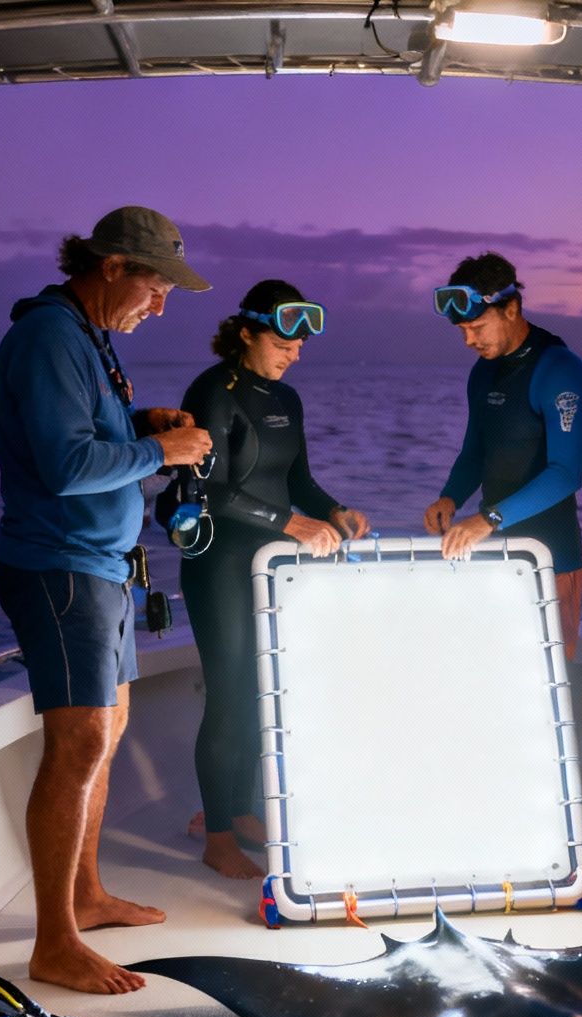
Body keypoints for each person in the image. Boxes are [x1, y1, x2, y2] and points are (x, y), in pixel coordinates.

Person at [0, 205, 214, 994]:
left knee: (109, 731)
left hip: (105, 568)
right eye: (156, 289)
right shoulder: (51, 337)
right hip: (61, 568)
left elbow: (90, 432)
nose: (160, 307)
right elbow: (62, 467)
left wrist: (137, 419)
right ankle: (54, 941)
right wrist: (162, 449)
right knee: (80, 742)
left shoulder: (87, 337)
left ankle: (84, 894)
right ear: (112, 266)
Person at [178, 280, 369, 879]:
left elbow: (299, 481)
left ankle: (240, 811)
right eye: (284, 340)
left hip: (273, 568)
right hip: (220, 566)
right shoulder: (214, 392)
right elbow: (212, 490)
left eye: (301, 343)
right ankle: (214, 835)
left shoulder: (288, 399)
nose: (295, 352)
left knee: (265, 692)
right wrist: (293, 524)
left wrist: (334, 510)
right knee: (229, 692)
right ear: (246, 332)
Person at [422, 253, 582, 658]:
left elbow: (565, 474)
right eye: (463, 330)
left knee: (552, 677)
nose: (469, 340)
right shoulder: (482, 371)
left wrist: (486, 519)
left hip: (552, 554)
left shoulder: (560, 369)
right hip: (494, 549)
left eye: (477, 327)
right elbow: (474, 452)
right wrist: (450, 497)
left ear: (512, 308)